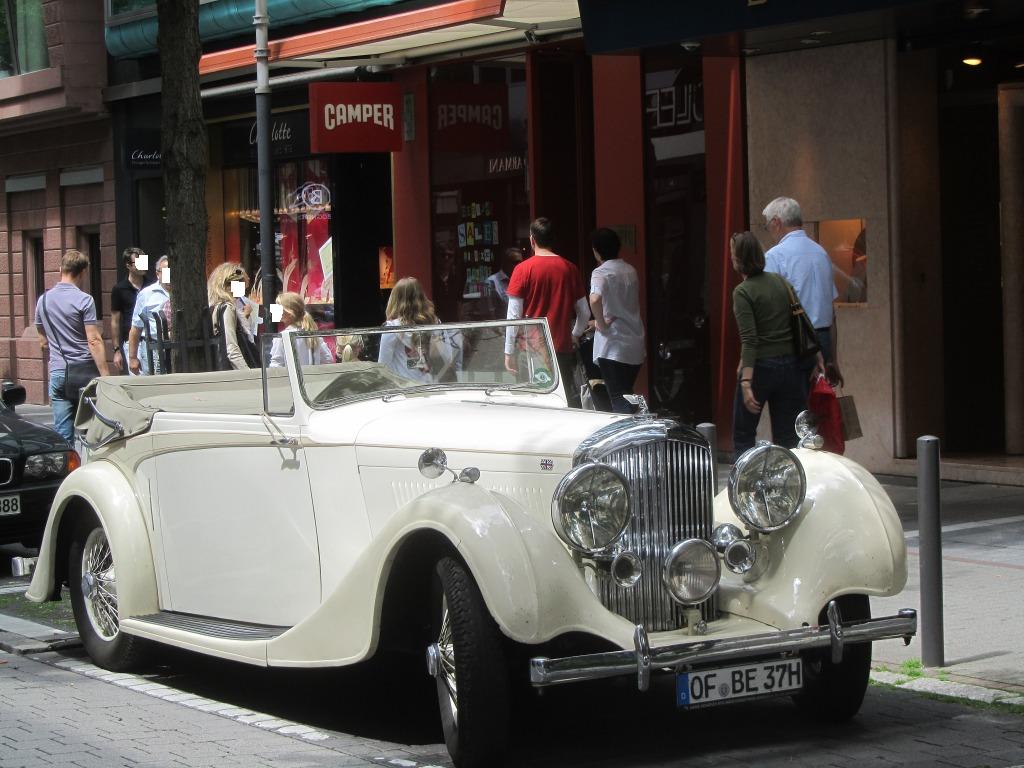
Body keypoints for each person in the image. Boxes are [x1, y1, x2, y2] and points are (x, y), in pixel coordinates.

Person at [730, 231, 818, 459]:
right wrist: (816, 359)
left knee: (743, 436)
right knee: (788, 438)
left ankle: (746, 480)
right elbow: (802, 319)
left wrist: (746, 381)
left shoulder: (742, 292)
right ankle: (789, 478)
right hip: (791, 367)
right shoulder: (780, 282)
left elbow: (750, 340)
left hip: (760, 369)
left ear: (738, 259)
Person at [505, 217, 589, 407]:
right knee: (563, 401)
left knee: (535, 403)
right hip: (562, 347)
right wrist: (574, 334)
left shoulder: (522, 270)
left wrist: (508, 351)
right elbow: (584, 311)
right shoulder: (570, 268)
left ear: (532, 240)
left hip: (531, 350)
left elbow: (514, 316)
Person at [33, 250, 110, 442]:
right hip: (84, 373)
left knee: (63, 434)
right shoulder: (85, 300)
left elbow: (42, 340)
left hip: (58, 372)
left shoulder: (43, 301)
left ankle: (66, 462)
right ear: (83, 272)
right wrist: (106, 375)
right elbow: (93, 340)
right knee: (92, 430)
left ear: (60, 269)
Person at [761, 197, 836, 367]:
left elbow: (770, 310)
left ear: (776, 222)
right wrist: (832, 359)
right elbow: (831, 312)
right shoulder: (821, 253)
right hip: (824, 339)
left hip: (794, 341)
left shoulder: (774, 256)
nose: (769, 231)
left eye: (767, 226)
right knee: (819, 385)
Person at [588, 228, 646, 414]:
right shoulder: (630, 270)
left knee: (618, 398)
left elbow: (594, 299)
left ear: (596, 250)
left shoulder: (601, 272)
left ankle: (628, 431)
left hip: (613, 345)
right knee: (627, 394)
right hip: (634, 342)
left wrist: (600, 323)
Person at [378, 277, 460, 383]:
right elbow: (448, 356)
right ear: (422, 297)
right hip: (432, 387)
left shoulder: (392, 328)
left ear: (395, 299)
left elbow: (383, 367)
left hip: (405, 388)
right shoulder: (435, 323)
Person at [208, 262, 260, 370]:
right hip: (236, 373)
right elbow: (231, 348)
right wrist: (248, 374)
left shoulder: (215, 306)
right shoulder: (227, 307)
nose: (243, 290)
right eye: (242, 285)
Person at [110, 247, 151, 374]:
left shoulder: (152, 286)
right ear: (128, 265)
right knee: (136, 380)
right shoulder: (119, 289)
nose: (143, 265)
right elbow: (115, 321)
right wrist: (116, 350)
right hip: (131, 342)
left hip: (151, 340)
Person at [128, 255, 171, 375]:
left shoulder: (184, 293)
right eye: (166, 272)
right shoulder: (147, 294)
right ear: (158, 274)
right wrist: (132, 358)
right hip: (153, 348)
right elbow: (136, 327)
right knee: (155, 383)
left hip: (178, 348)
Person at [268, 292, 333, 368]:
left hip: (291, 376)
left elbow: (276, 365)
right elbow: (327, 359)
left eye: (278, 307)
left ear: (289, 312)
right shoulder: (312, 333)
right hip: (312, 375)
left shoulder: (282, 337)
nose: (273, 311)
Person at [486, 247, 522, 318]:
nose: (519, 266)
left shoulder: (522, 280)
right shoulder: (492, 282)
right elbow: (490, 312)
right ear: (505, 263)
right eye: (515, 263)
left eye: (521, 263)